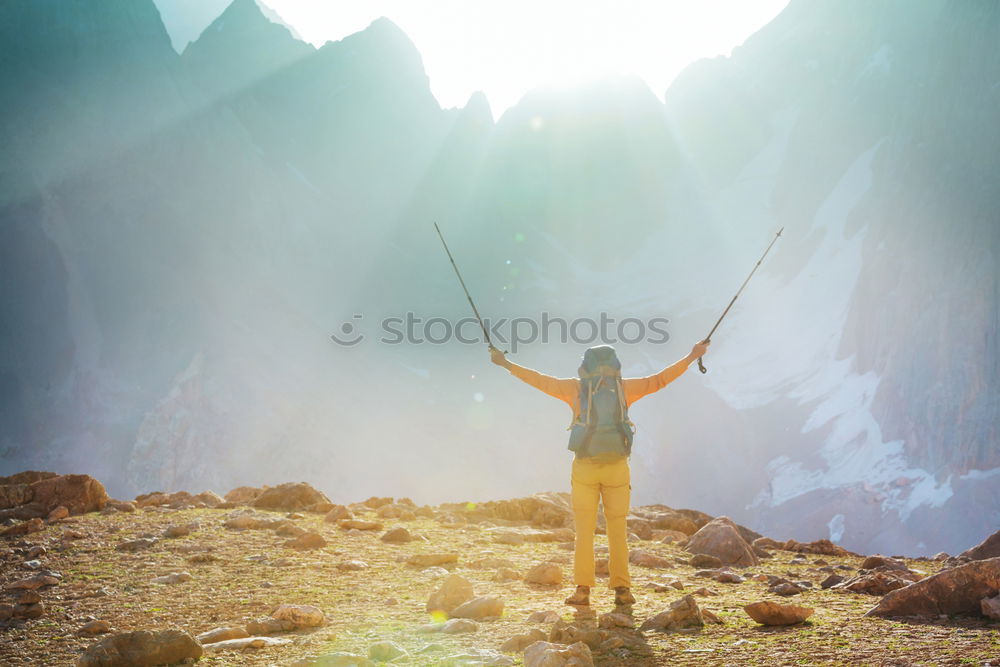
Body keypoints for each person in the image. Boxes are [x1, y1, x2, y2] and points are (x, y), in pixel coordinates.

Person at [490, 340, 709, 607]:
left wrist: (506, 364)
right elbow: (660, 380)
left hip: (584, 467)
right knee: (618, 529)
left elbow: (539, 380)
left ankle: (583, 591)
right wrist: (692, 355)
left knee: (584, 531)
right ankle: (622, 590)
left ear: (586, 366)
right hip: (617, 466)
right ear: (615, 366)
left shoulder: (574, 389)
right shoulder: (624, 389)